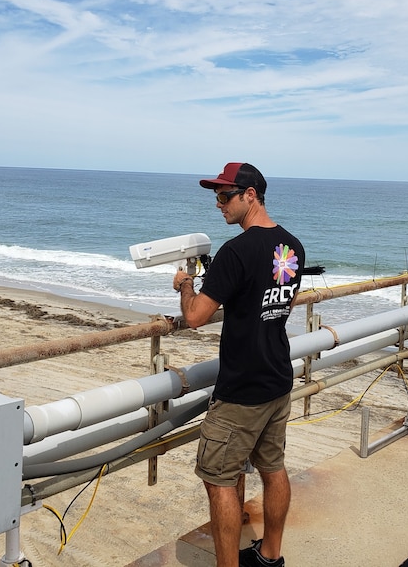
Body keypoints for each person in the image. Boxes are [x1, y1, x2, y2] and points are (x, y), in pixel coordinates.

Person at [172, 162, 303, 567]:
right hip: (278, 378)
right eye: (216, 196)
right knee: (274, 467)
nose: (218, 204)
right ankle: (271, 555)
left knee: (219, 480)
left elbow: (194, 317)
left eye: (225, 196)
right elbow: (277, 303)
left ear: (251, 195)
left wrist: (186, 283)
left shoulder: (236, 252)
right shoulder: (292, 247)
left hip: (241, 390)